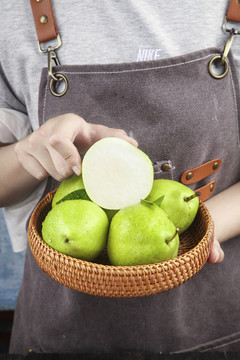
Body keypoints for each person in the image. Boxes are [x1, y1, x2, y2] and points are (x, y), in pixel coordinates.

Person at [0, 0, 239, 355]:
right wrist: (30, 153)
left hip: (214, 323)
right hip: (59, 330)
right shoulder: (12, 11)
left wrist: (198, 231)